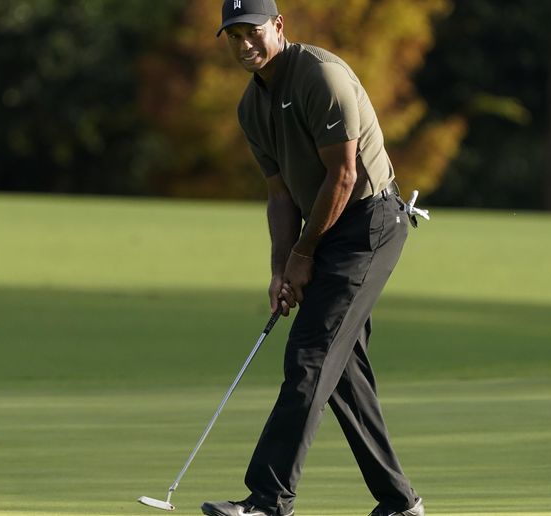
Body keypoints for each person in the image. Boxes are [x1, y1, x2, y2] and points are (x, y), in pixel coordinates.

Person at [200, 1, 426, 516]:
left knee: (309, 357)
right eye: (233, 36)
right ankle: (400, 503)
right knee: (342, 371)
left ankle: (268, 500)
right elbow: (281, 196)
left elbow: (343, 176)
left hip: (370, 222)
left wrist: (305, 254)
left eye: (251, 31)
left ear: (278, 26)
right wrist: (282, 269)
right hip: (327, 227)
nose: (243, 44)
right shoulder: (250, 107)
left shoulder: (320, 76)